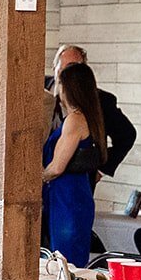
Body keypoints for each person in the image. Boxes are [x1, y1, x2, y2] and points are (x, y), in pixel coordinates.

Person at [43, 61, 105, 266]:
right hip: (73, 195)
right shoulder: (88, 117)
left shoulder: (75, 120)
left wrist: (32, 180)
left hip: (68, 198)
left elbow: (57, 166)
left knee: (65, 262)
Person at [49, 44, 136, 180]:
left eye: (73, 68)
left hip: (77, 181)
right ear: (54, 67)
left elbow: (127, 135)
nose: (67, 74)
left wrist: (102, 169)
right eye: (63, 68)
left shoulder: (102, 101)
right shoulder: (38, 91)